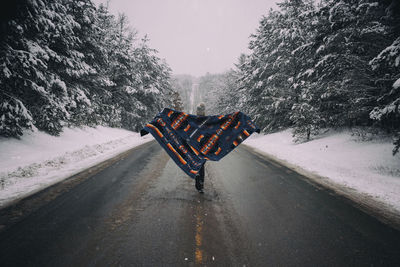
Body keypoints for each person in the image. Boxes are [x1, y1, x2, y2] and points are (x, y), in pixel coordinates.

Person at [195, 103, 206, 193]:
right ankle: (199, 184)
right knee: (198, 165)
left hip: (204, 147)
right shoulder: (193, 119)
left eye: (201, 110)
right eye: (198, 110)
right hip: (195, 146)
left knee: (201, 165)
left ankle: (200, 184)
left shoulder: (208, 120)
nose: (199, 111)